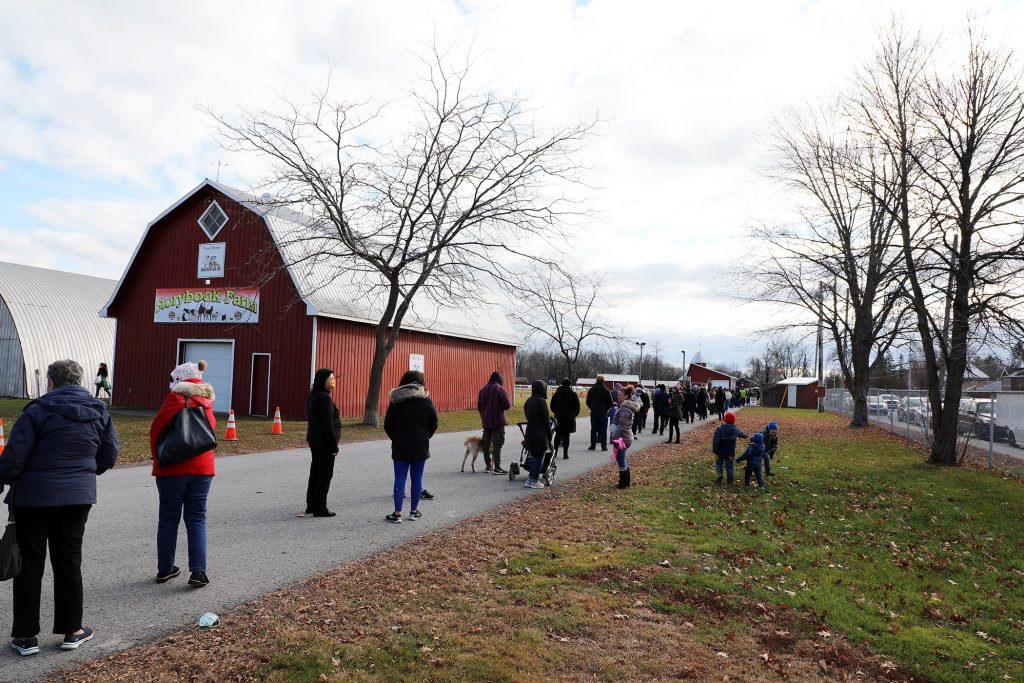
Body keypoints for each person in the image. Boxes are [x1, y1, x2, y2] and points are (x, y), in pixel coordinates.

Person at [0, 359, 119, 656]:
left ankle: (26, 636)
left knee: (29, 565)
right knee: (68, 561)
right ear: (78, 380)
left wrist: (5, 478)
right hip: (77, 499)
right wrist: (83, 476)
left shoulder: (37, 411)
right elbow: (109, 454)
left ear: (51, 382)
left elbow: (14, 458)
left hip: (33, 499)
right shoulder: (98, 411)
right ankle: (72, 629)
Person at [150, 362, 216, 588]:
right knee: (197, 519)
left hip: (173, 467)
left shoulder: (175, 398)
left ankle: (165, 569)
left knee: (168, 518)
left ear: (179, 380)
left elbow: (157, 429)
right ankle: (198, 571)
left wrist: (157, 457)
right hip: (202, 467)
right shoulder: (207, 400)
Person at [383, 371, 438, 523]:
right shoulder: (425, 400)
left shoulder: (396, 400)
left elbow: (388, 424)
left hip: (400, 445)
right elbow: (434, 423)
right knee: (417, 478)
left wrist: (396, 437)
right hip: (420, 445)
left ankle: (397, 513)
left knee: (399, 478)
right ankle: (413, 512)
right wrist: (426, 437)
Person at [305, 368, 342, 517]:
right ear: (324, 381)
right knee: (325, 475)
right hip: (325, 442)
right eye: (330, 378)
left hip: (314, 439)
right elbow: (328, 424)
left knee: (315, 472)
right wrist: (334, 445)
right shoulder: (324, 398)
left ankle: (311, 504)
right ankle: (320, 507)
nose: (333, 381)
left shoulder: (313, 395)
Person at [478, 371, 511, 474]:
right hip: (498, 422)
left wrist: (484, 415)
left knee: (486, 444)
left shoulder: (482, 390)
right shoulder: (500, 389)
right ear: (499, 380)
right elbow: (507, 405)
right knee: (497, 444)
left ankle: (488, 466)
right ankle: (497, 467)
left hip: (486, 422)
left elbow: (479, 407)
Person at [523, 380, 554, 489]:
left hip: (530, 432)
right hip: (540, 434)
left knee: (535, 456)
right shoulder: (541, 402)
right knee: (539, 457)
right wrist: (549, 435)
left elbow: (527, 416)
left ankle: (530, 479)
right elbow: (546, 421)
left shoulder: (528, 401)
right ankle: (533, 479)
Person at [611, 385, 640, 488]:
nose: (618, 396)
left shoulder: (625, 407)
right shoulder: (625, 406)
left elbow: (622, 426)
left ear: (626, 396)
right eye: (618, 394)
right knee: (621, 459)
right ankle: (625, 482)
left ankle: (623, 484)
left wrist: (614, 436)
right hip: (624, 437)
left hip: (622, 438)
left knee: (620, 459)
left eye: (620, 395)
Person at [712, 412, 748, 485]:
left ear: (725, 420)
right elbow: (742, 434)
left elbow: (716, 440)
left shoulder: (719, 429)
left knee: (719, 463)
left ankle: (720, 474)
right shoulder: (735, 429)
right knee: (730, 467)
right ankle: (730, 482)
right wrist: (745, 436)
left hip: (720, 451)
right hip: (730, 452)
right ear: (733, 420)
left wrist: (715, 449)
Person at [550, 378, 580, 460]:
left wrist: (556, 412)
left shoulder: (557, 394)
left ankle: (555, 453)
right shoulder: (573, 394)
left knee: (558, 436)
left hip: (559, 417)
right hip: (569, 418)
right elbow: (577, 407)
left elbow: (552, 405)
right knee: (567, 436)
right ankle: (565, 454)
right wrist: (573, 415)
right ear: (569, 385)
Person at [586, 375, 613, 451]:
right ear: (603, 381)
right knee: (603, 430)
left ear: (596, 381)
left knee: (593, 429)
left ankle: (593, 446)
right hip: (603, 413)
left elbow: (588, 402)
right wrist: (606, 409)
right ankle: (603, 446)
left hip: (594, 413)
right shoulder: (607, 391)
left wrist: (592, 408)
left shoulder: (591, 390)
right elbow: (610, 403)